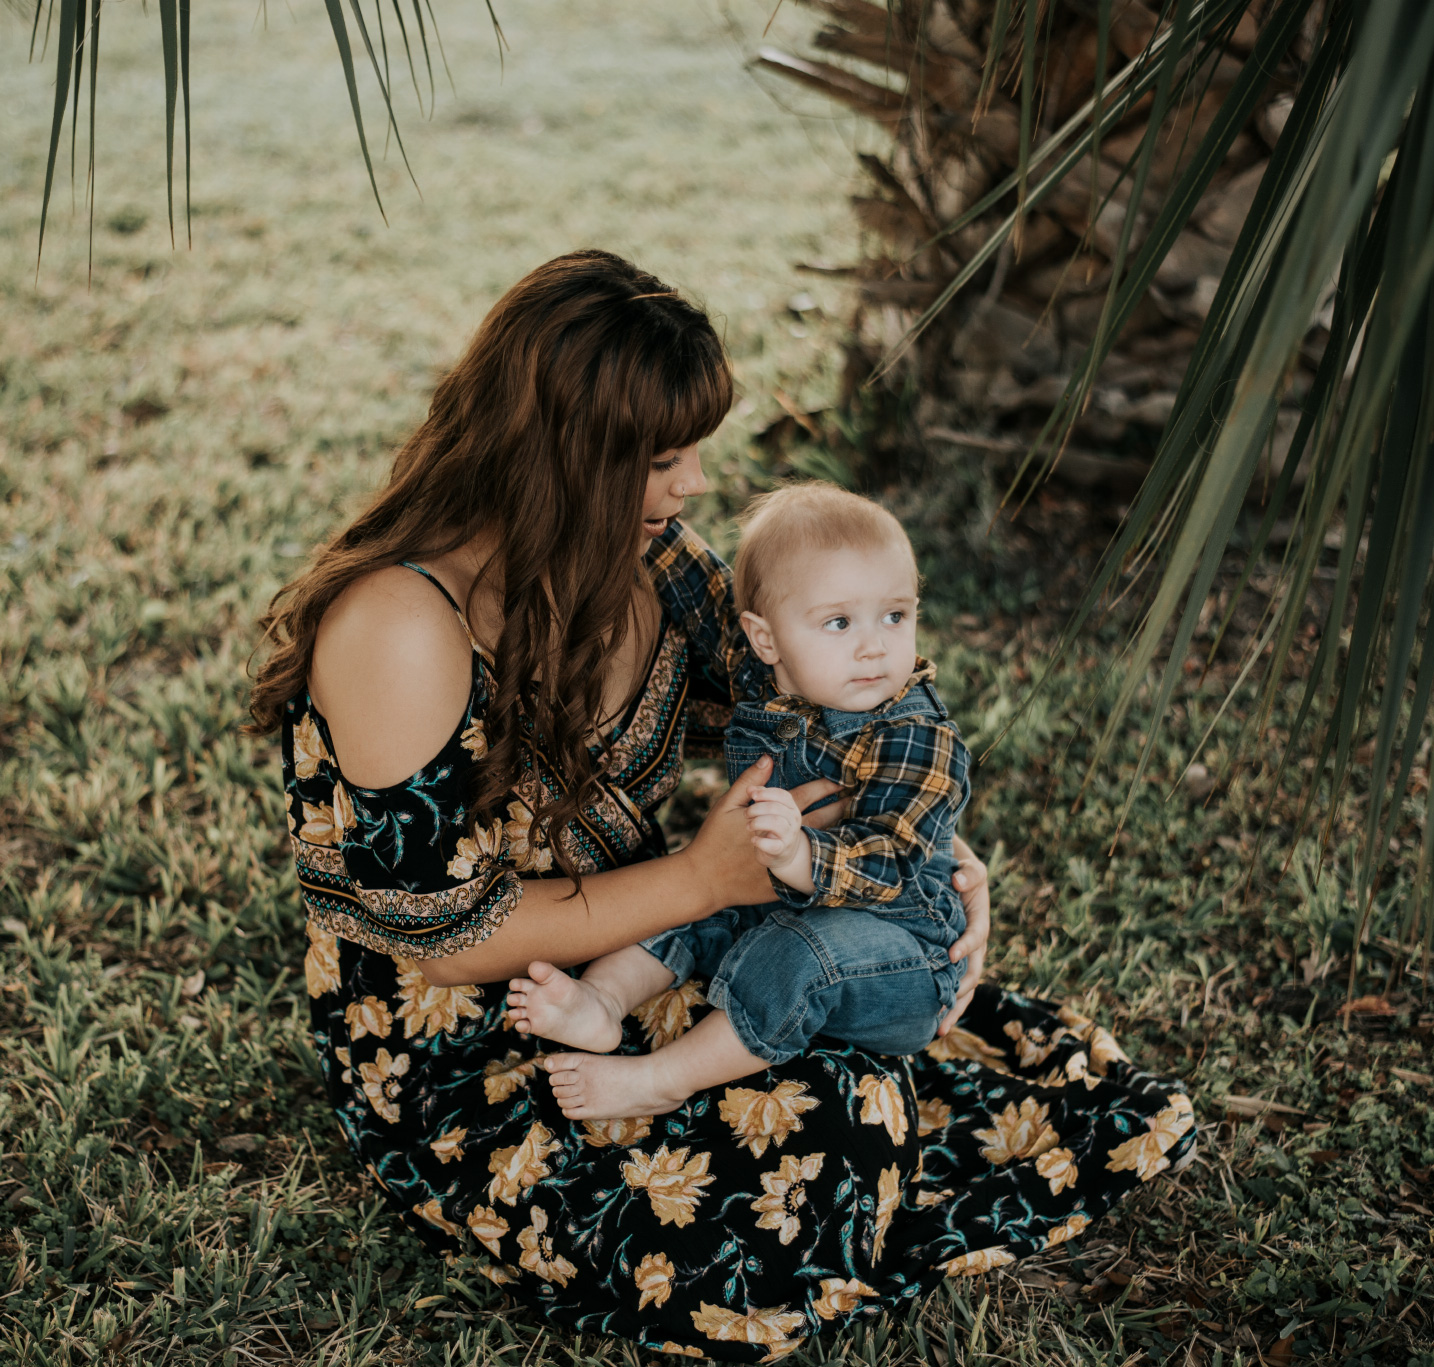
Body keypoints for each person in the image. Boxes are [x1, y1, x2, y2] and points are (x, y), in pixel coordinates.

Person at [249, 249, 1195, 1362]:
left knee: (846, 1084)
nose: (691, 485)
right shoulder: (401, 626)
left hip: (664, 944)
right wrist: (701, 880)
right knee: (774, 1186)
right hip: (466, 1032)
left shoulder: (660, 567)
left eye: (689, 453)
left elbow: (822, 740)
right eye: (660, 460)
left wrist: (930, 852)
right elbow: (441, 935)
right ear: (560, 461)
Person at [505, 484, 974, 1121]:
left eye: (895, 616)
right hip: (770, 900)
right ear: (765, 639)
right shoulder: (764, 671)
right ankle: (601, 1003)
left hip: (900, 957)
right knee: (674, 902)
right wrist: (606, 493)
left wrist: (803, 855)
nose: (874, 646)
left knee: (800, 954)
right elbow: (694, 583)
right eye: (839, 622)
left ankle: (662, 1079)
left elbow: (890, 861)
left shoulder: (917, 734)